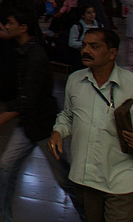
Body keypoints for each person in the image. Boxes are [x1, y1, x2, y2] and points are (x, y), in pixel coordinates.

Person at [0, 9, 81, 222]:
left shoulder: (36, 55)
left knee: (63, 178)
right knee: (5, 167)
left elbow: (29, 97)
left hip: (44, 126)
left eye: (11, 22)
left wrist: (2, 117)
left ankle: (90, 214)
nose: (8, 26)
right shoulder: (22, 48)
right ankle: (2, 218)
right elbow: (2, 33)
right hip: (28, 124)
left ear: (23, 28)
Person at [49, 28, 133, 222]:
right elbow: (68, 116)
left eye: (94, 47)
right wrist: (58, 131)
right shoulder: (76, 80)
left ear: (112, 53)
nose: (85, 50)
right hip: (86, 178)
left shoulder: (130, 84)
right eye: (84, 45)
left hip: (121, 179)